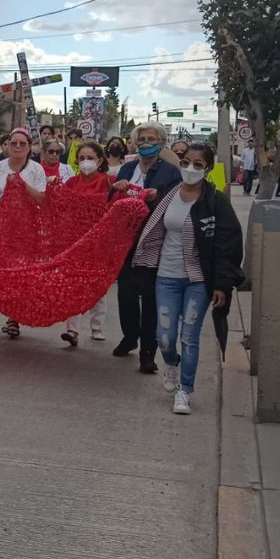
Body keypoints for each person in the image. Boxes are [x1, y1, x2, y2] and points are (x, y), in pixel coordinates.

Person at [131, 143, 243, 414]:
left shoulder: (215, 202)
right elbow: (149, 225)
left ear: (208, 169)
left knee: (190, 337)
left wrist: (222, 284)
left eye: (197, 164)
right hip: (166, 277)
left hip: (198, 281)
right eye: (185, 162)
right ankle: (172, 364)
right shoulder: (168, 195)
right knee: (165, 337)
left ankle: (185, 390)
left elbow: (228, 245)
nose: (190, 168)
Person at [110, 121, 181, 374]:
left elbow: (174, 201)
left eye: (152, 139)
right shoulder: (128, 168)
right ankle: (130, 337)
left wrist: (155, 197)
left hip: (154, 242)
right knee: (126, 295)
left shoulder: (170, 172)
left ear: (161, 143)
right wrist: (117, 189)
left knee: (151, 299)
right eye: (142, 139)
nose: (146, 144)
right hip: (126, 241)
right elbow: (114, 201)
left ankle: (147, 353)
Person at [0, 127, 48, 338]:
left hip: (25, 227)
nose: (17, 147)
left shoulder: (36, 170)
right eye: (14, 143)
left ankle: (13, 318)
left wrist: (21, 184)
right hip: (0, 224)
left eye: (22, 144)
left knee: (20, 273)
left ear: (29, 147)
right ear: (7, 146)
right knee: (2, 272)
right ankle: (10, 310)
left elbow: (42, 199)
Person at [61, 141, 113, 346]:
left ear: (99, 160)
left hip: (100, 243)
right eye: (82, 158)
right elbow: (60, 207)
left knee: (98, 285)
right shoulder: (71, 183)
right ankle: (72, 330)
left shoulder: (109, 182)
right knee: (73, 285)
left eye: (90, 158)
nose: (85, 162)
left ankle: (97, 327)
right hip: (74, 242)